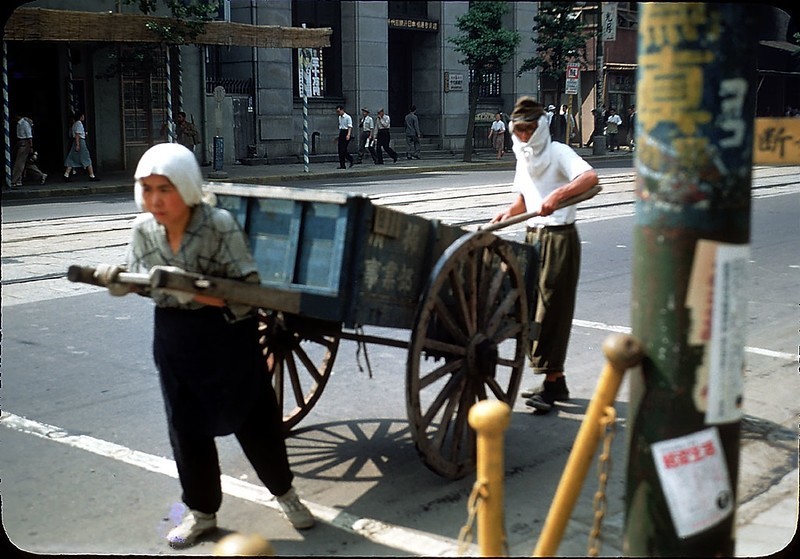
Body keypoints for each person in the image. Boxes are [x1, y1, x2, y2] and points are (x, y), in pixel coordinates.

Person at [97, 143, 315, 547]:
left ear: (186, 186)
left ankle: (286, 496)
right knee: (185, 427)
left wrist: (191, 289)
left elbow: (248, 289)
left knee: (254, 422)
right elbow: (143, 283)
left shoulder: (218, 224)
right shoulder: (143, 230)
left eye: (165, 189)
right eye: (147, 189)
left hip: (227, 335)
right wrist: (120, 281)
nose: (155, 200)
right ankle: (201, 513)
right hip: (175, 340)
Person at [490, 96, 599, 414]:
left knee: (552, 308)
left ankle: (551, 384)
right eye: (519, 130)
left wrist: (559, 194)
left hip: (559, 238)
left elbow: (589, 178)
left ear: (540, 127)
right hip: (532, 237)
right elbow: (523, 202)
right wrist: (506, 213)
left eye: (528, 129)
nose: (524, 136)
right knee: (531, 307)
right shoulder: (523, 158)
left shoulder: (558, 152)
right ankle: (556, 378)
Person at [11, 114, 47, 187]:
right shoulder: (19, 124)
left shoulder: (24, 123)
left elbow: (29, 136)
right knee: (27, 163)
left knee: (19, 163)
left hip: (24, 143)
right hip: (20, 142)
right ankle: (41, 175)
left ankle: (15, 180)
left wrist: (31, 147)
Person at [63, 111, 99, 182]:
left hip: (75, 142)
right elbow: (77, 135)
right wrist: (78, 145)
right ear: (80, 116)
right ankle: (91, 175)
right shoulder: (79, 124)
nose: (83, 117)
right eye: (83, 116)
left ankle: (66, 174)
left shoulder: (74, 124)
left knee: (72, 158)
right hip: (80, 142)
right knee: (87, 157)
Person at [335, 104, 354, 169]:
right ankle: (342, 165)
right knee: (340, 150)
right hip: (342, 132)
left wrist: (348, 134)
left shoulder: (348, 117)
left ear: (342, 110)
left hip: (346, 132)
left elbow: (350, 126)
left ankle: (350, 159)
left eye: (339, 111)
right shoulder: (339, 117)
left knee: (344, 149)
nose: (338, 113)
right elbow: (340, 126)